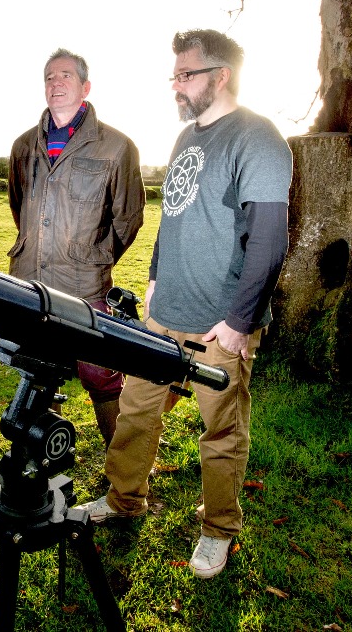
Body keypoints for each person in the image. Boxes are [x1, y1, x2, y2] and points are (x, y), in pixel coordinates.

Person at [72, 30, 293, 579]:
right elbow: (175, 219)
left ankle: (218, 529)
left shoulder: (258, 138)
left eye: (186, 74)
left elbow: (269, 238)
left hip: (221, 327)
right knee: (136, 413)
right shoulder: (185, 138)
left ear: (220, 75)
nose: (176, 85)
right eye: (173, 75)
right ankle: (124, 499)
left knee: (221, 432)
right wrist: (152, 279)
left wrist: (240, 322)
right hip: (164, 314)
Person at [7, 48, 146, 448]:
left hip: (85, 284)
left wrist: (93, 258)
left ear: (85, 87)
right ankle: (44, 453)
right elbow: (19, 206)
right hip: (31, 282)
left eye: (66, 76)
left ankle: (122, 468)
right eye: (50, 77)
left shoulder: (117, 146)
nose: (56, 83)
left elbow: (128, 218)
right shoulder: (22, 146)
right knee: (39, 367)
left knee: (100, 373)